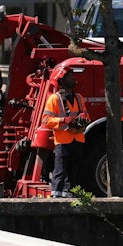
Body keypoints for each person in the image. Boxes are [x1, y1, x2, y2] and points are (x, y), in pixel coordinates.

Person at [42, 64, 89, 197]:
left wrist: (83, 117)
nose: (73, 78)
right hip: (62, 141)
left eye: (72, 76)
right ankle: (56, 195)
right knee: (60, 171)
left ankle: (69, 194)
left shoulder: (79, 98)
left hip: (78, 138)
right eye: (69, 76)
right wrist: (63, 120)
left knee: (74, 170)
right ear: (61, 81)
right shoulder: (55, 99)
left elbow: (86, 114)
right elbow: (45, 120)